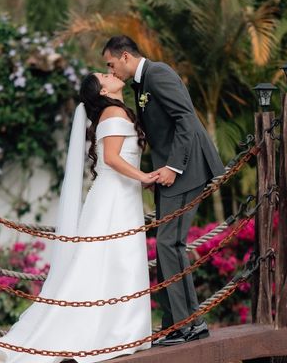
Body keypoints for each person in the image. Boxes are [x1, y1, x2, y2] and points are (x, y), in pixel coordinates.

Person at [0, 72, 157, 363]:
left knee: (111, 262)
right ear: (102, 89)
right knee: (117, 259)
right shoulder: (113, 111)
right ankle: (121, 332)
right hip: (114, 200)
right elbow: (113, 158)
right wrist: (144, 177)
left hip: (115, 197)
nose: (111, 73)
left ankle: (123, 330)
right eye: (104, 74)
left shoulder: (110, 112)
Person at [102, 35, 225, 346]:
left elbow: (186, 119)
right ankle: (175, 324)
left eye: (110, 64)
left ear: (125, 56)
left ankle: (190, 324)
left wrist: (173, 167)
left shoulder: (159, 73)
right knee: (166, 246)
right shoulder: (140, 85)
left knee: (170, 244)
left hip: (186, 169)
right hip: (168, 172)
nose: (111, 70)